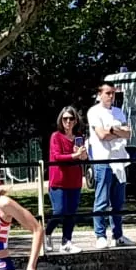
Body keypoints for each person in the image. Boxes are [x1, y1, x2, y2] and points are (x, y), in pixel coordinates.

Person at [87, 83, 134, 248]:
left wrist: (113, 131)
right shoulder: (94, 112)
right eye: (108, 93)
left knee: (118, 201)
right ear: (100, 94)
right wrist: (116, 131)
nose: (111, 96)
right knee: (101, 199)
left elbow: (128, 134)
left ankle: (118, 234)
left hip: (119, 161)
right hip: (103, 160)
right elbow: (101, 135)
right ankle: (100, 235)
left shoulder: (118, 111)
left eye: (113, 93)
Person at [46, 105, 85, 253]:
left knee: (71, 212)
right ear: (61, 120)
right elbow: (57, 157)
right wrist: (74, 156)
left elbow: (82, 157)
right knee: (59, 211)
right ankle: (47, 233)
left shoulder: (79, 137)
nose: (68, 121)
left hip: (74, 180)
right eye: (65, 119)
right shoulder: (56, 136)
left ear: (75, 121)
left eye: (71, 118)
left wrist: (83, 155)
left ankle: (66, 241)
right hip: (59, 180)